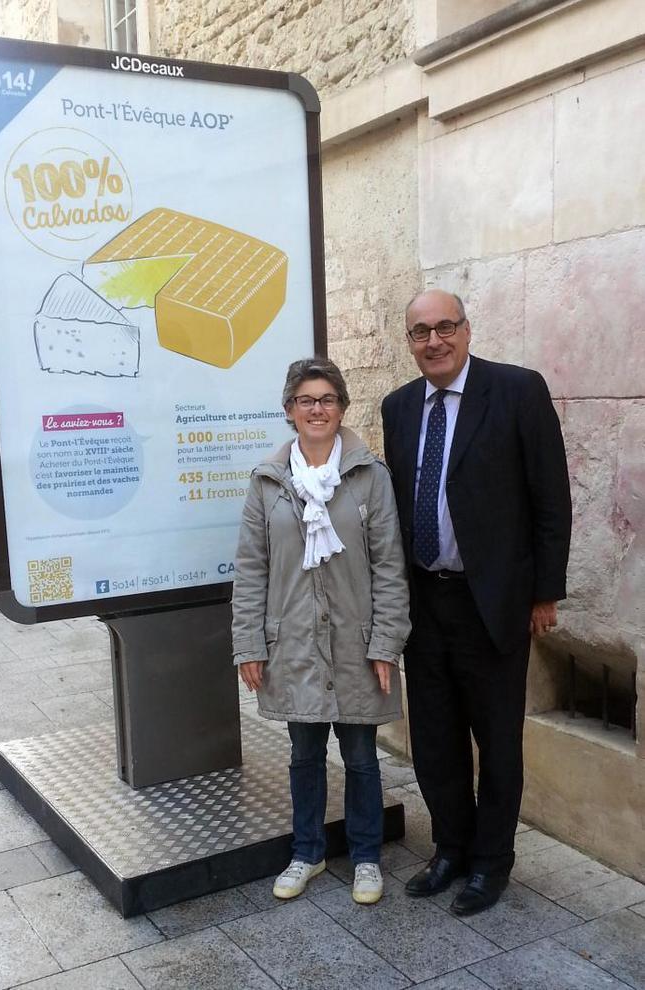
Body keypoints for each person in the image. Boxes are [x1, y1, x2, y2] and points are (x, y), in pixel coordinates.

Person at [381, 289, 572, 916]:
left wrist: (545, 591)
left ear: (467, 330)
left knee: (497, 741)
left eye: (445, 328)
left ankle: (492, 864)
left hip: (494, 603)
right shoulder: (399, 407)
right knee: (433, 738)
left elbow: (550, 497)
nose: (433, 341)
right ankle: (450, 849)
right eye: (420, 332)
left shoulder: (517, 391)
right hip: (425, 604)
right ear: (408, 341)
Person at [233, 357, 411, 905]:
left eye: (327, 399)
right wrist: (249, 644)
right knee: (304, 754)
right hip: (294, 644)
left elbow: (388, 564)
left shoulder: (369, 476)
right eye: (305, 400)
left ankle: (365, 857)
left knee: (360, 755)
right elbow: (251, 568)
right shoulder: (267, 482)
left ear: (341, 408)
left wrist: (386, 642)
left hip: (356, 643)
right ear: (289, 411)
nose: (317, 409)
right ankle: (307, 851)